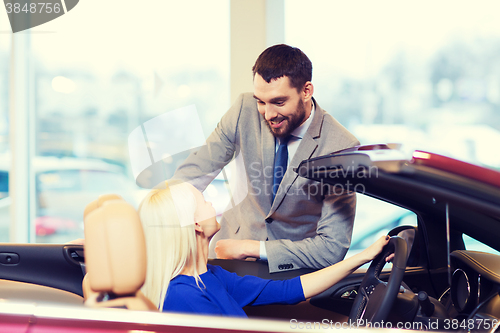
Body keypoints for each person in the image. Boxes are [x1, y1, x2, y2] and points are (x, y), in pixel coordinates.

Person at [172, 44, 360, 273]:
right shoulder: (244, 109)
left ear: (307, 91)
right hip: (225, 261)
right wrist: (159, 212)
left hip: (292, 274)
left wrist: (252, 248)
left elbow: (332, 248)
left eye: (279, 102)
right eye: (261, 101)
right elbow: (194, 174)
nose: (268, 114)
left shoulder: (342, 147)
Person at [138, 181, 390, 317]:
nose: (210, 202)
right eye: (203, 201)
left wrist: (363, 257)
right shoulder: (184, 297)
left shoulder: (212, 277)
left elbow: (290, 290)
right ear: (194, 223)